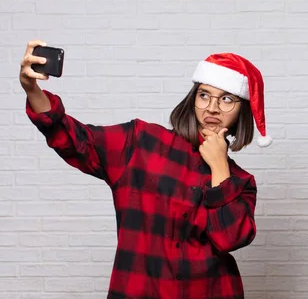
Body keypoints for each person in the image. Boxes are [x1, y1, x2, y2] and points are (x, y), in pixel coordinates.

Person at [19, 40, 272, 299]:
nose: (212, 108)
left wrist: (219, 168)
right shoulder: (141, 142)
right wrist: (32, 90)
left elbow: (230, 238)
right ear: (193, 98)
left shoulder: (241, 181)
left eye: (227, 99)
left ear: (242, 110)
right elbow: (76, 139)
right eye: (204, 95)